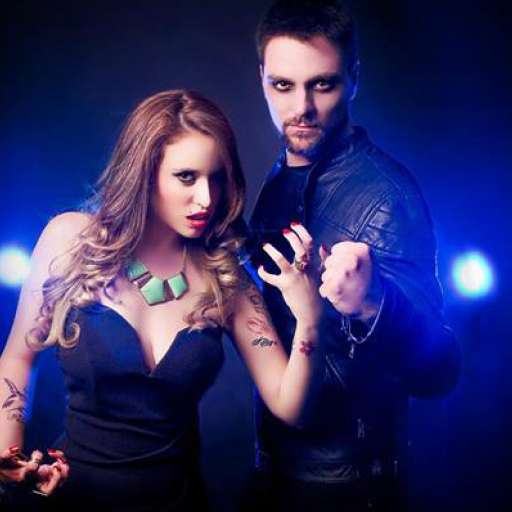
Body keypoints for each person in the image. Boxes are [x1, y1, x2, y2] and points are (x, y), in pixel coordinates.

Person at [0, 89, 326, 511]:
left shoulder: (226, 277)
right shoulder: (71, 241)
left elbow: (292, 406)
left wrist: (311, 317)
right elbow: (17, 358)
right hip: (73, 501)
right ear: (144, 171)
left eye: (217, 177)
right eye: (186, 177)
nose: (207, 198)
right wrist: (9, 465)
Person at [246, 1, 462, 511]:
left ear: (354, 78)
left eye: (322, 84)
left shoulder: (389, 196)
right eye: (283, 85)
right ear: (263, 80)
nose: (301, 107)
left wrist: (374, 304)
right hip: (274, 476)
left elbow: (441, 371)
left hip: (352, 490)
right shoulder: (278, 180)